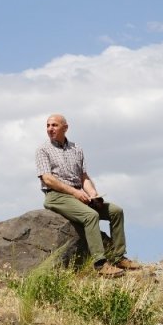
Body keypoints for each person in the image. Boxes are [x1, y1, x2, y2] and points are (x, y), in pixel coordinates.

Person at [35, 114, 142, 277]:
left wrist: (93, 194)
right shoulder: (43, 150)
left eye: (54, 125)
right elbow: (47, 179)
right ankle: (100, 264)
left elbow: (83, 177)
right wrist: (75, 192)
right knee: (90, 216)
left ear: (65, 127)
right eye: (48, 125)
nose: (50, 129)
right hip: (56, 195)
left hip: (77, 194)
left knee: (116, 211)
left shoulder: (76, 149)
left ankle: (118, 257)